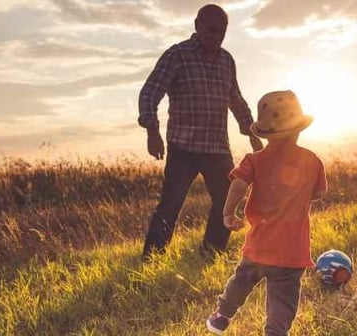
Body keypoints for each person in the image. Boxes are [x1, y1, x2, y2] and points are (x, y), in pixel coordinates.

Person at [138, 4, 263, 261]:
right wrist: (152, 130)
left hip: (217, 148)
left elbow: (235, 100)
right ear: (197, 26)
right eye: (211, 29)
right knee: (170, 205)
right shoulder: (178, 55)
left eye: (222, 31)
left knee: (228, 200)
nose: (216, 35)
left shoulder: (227, 60)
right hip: (183, 147)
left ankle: (210, 253)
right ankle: (151, 258)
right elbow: (150, 91)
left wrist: (251, 131)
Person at [205, 90, 328, 336]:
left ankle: (221, 317)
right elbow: (319, 193)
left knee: (241, 281)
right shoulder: (312, 161)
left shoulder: (254, 160)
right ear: (298, 129)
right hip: (292, 252)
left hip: (259, 246)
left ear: (266, 132)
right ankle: (275, 332)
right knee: (283, 299)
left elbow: (238, 184)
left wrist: (228, 213)